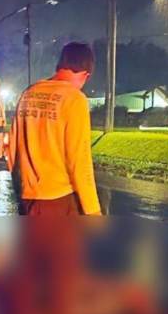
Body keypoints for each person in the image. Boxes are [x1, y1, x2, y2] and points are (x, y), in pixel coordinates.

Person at [6, 42, 102, 216]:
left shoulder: (29, 94)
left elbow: (12, 151)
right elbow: (80, 162)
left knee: (32, 244)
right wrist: (94, 212)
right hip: (61, 201)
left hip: (29, 200)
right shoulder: (75, 99)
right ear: (85, 74)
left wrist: (21, 194)